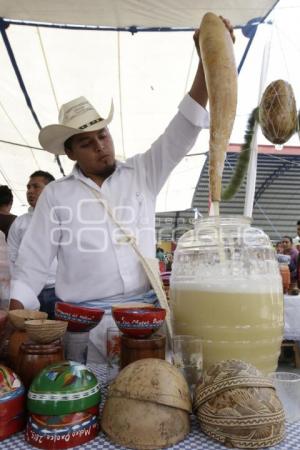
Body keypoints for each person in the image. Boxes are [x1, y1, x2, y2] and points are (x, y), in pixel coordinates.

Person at [9, 18, 235, 362]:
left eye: (103, 135)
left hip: (144, 323)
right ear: (70, 153)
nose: (101, 146)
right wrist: (13, 319)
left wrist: (207, 59)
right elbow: (32, 266)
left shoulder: (142, 172)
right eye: (87, 142)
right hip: (84, 329)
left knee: (148, 405)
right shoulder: (57, 196)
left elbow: (183, 129)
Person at [7, 171, 58, 318]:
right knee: (28, 335)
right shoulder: (20, 222)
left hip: (58, 291)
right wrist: (17, 290)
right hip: (27, 291)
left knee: (58, 335)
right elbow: (12, 257)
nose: (30, 191)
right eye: (28, 187)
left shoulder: (63, 219)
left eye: (36, 187)